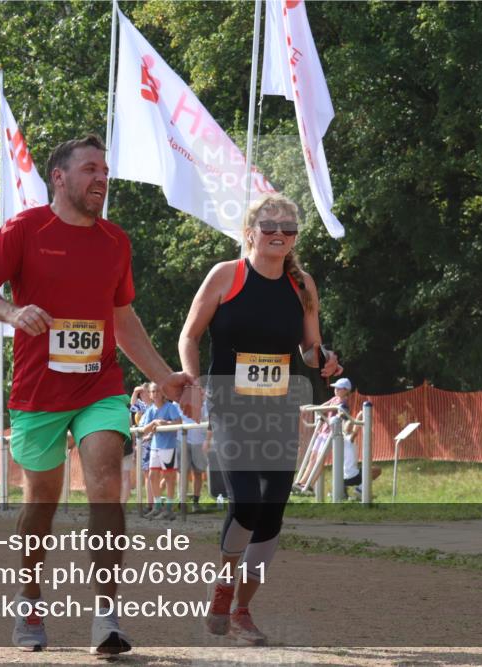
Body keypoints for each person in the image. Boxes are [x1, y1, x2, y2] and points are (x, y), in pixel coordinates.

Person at [0, 134, 195, 656]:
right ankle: (29, 601)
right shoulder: (24, 230)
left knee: (107, 477)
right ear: (59, 178)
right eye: (91, 169)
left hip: (99, 386)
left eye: (106, 171)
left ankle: (106, 616)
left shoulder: (115, 241)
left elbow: (123, 318)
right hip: (39, 393)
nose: (102, 179)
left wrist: (164, 376)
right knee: (40, 506)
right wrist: (12, 313)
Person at [178, 193, 342, 645]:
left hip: (279, 408)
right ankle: (222, 590)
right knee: (246, 501)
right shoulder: (226, 276)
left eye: (288, 228)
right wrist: (193, 381)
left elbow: (309, 349)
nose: (278, 234)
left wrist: (324, 359)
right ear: (249, 231)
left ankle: (242, 610)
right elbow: (189, 336)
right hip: (231, 406)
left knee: (272, 513)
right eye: (269, 226)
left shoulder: (303, 285)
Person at [139, 383, 183, 520]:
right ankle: (158, 506)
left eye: (158, 391)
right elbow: (143, 429)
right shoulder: (150, 410)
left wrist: (164, 423)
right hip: (155, 446)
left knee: (169, 476)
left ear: (163, 393)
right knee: (152, 475)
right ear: (150, 395)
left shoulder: (170, 407)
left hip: (168, 446)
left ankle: (169, 508)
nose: (156, 394)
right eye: (153, 391)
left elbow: (179, 422)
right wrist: (154, 423)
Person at [179, 403, 210, 513]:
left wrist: (207, 439)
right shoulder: (177, 399)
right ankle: (182, 501)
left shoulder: (203, 401)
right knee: (183, 472)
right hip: (181, 440)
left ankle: (195, 502)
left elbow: (208, 419)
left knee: (198, 472)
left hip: (199, 440)